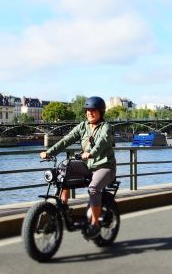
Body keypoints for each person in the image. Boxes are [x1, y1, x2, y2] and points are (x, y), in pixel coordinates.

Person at [40, 96, 116, 238]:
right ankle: (63, 207)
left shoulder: (106, 127)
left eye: (93, 110)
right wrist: (49, 152)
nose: (90, 113)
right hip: (87, 165)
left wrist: (91, 153)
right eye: (88, 110)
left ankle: (95, 224)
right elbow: (66, 140)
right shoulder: (83, 126)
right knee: (64, 168)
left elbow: (102, 142)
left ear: (101, 112)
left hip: (105, 166)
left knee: (93, 189)